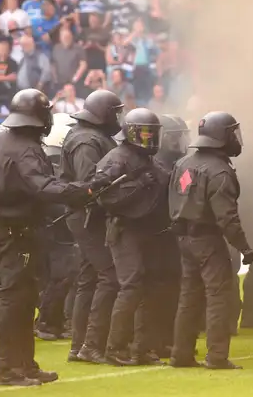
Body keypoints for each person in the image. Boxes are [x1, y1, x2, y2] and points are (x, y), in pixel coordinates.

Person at [0, 88, 101, 387]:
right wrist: (84, 191)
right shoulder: (26, 148)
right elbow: (43, 188)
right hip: (15, 231)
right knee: (15, 299)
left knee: (23, 297)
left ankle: (25, 365)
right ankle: (9, 369)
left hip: (7, 227)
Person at [169, 111, 253, 370]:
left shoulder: (183, 163)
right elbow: (226, 217)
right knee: (218, 296)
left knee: (188, 297)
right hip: (207, 239)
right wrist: (244, 247)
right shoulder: (220, 171)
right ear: (222, 136)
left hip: (184, 237)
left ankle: (181, 354)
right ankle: (217, 356)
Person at [89, 108, 168, 366]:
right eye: (143, 133)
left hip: (148, 229)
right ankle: (116, 348)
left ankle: (141, 347)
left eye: (152, 133)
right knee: (131, 286)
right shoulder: (117, 158)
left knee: (148, 287)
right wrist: (138, 185)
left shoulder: (147, 159)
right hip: (124, 230)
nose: (148, 138)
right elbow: (104, 196)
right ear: (131, 133)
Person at [60, 89, 123, 364]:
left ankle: (80, 345)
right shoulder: (87, 140)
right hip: (88, 216)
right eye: (115, 112)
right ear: (104, 114)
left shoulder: (89, 136)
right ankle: (92, 345)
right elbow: (90, 183)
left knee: (89, 278)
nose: (118, 118)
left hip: (85, 216)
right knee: (110, 276)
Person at [147, 114, 187, 356]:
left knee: (171, 287)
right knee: (160, 289)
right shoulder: (159, 166)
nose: (182, 142)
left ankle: (166, 339)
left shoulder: (172, 164)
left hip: (170, 235)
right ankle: (157, 340)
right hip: (159, 237)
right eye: (177, 136)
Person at [35, 122, 76, 341]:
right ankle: (47, 323)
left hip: (53, 228)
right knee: (60, 277)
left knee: (60, 277)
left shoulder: (46, 163)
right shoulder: (52, 167)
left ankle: (53, 322)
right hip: (55, 229)